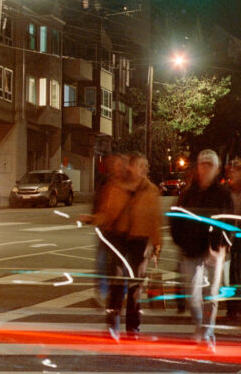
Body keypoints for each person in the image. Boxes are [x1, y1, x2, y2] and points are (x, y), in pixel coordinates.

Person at [81, 153, 163, 339]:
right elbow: (107, 214)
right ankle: (112, 324)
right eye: (141, 166)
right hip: (119, 239)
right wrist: (92, 219)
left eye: (146, 166)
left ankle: (133, 328)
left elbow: (155, 221)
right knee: (116, 283)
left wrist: (157, 246)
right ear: (131, 168)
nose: (144, 170)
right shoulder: (115, 188)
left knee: (135, 287)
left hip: (140, 241)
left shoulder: (151, 191)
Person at [170, 149, 233, 350]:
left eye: (209, 165)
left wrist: (223, 243)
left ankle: (206, 332)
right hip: (191, 249)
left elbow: (230, 222)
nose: (205, 168)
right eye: (202, 164)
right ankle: (201, 325)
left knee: (210, 294)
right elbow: (176, 218)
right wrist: (179, 240)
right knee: (193, 295)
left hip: (214, 251)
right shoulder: (188, 193)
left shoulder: (223, 194)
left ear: (216, 169)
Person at [91, 153, 128, 306]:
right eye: (115, 165)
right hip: (106, 230)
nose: (117, 168)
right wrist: (94, 217)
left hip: (123, 232)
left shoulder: (129, 185)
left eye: (120, 165)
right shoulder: (106, 183)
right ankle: (103, 291)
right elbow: (98, 202)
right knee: (101, 262)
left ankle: (123, 293)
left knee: (123, 265)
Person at [225, 158, 241, 322]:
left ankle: (235, 307)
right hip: (232, 236)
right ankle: (233, 307)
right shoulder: (229, 191)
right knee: (232, 272)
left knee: (236, 271)